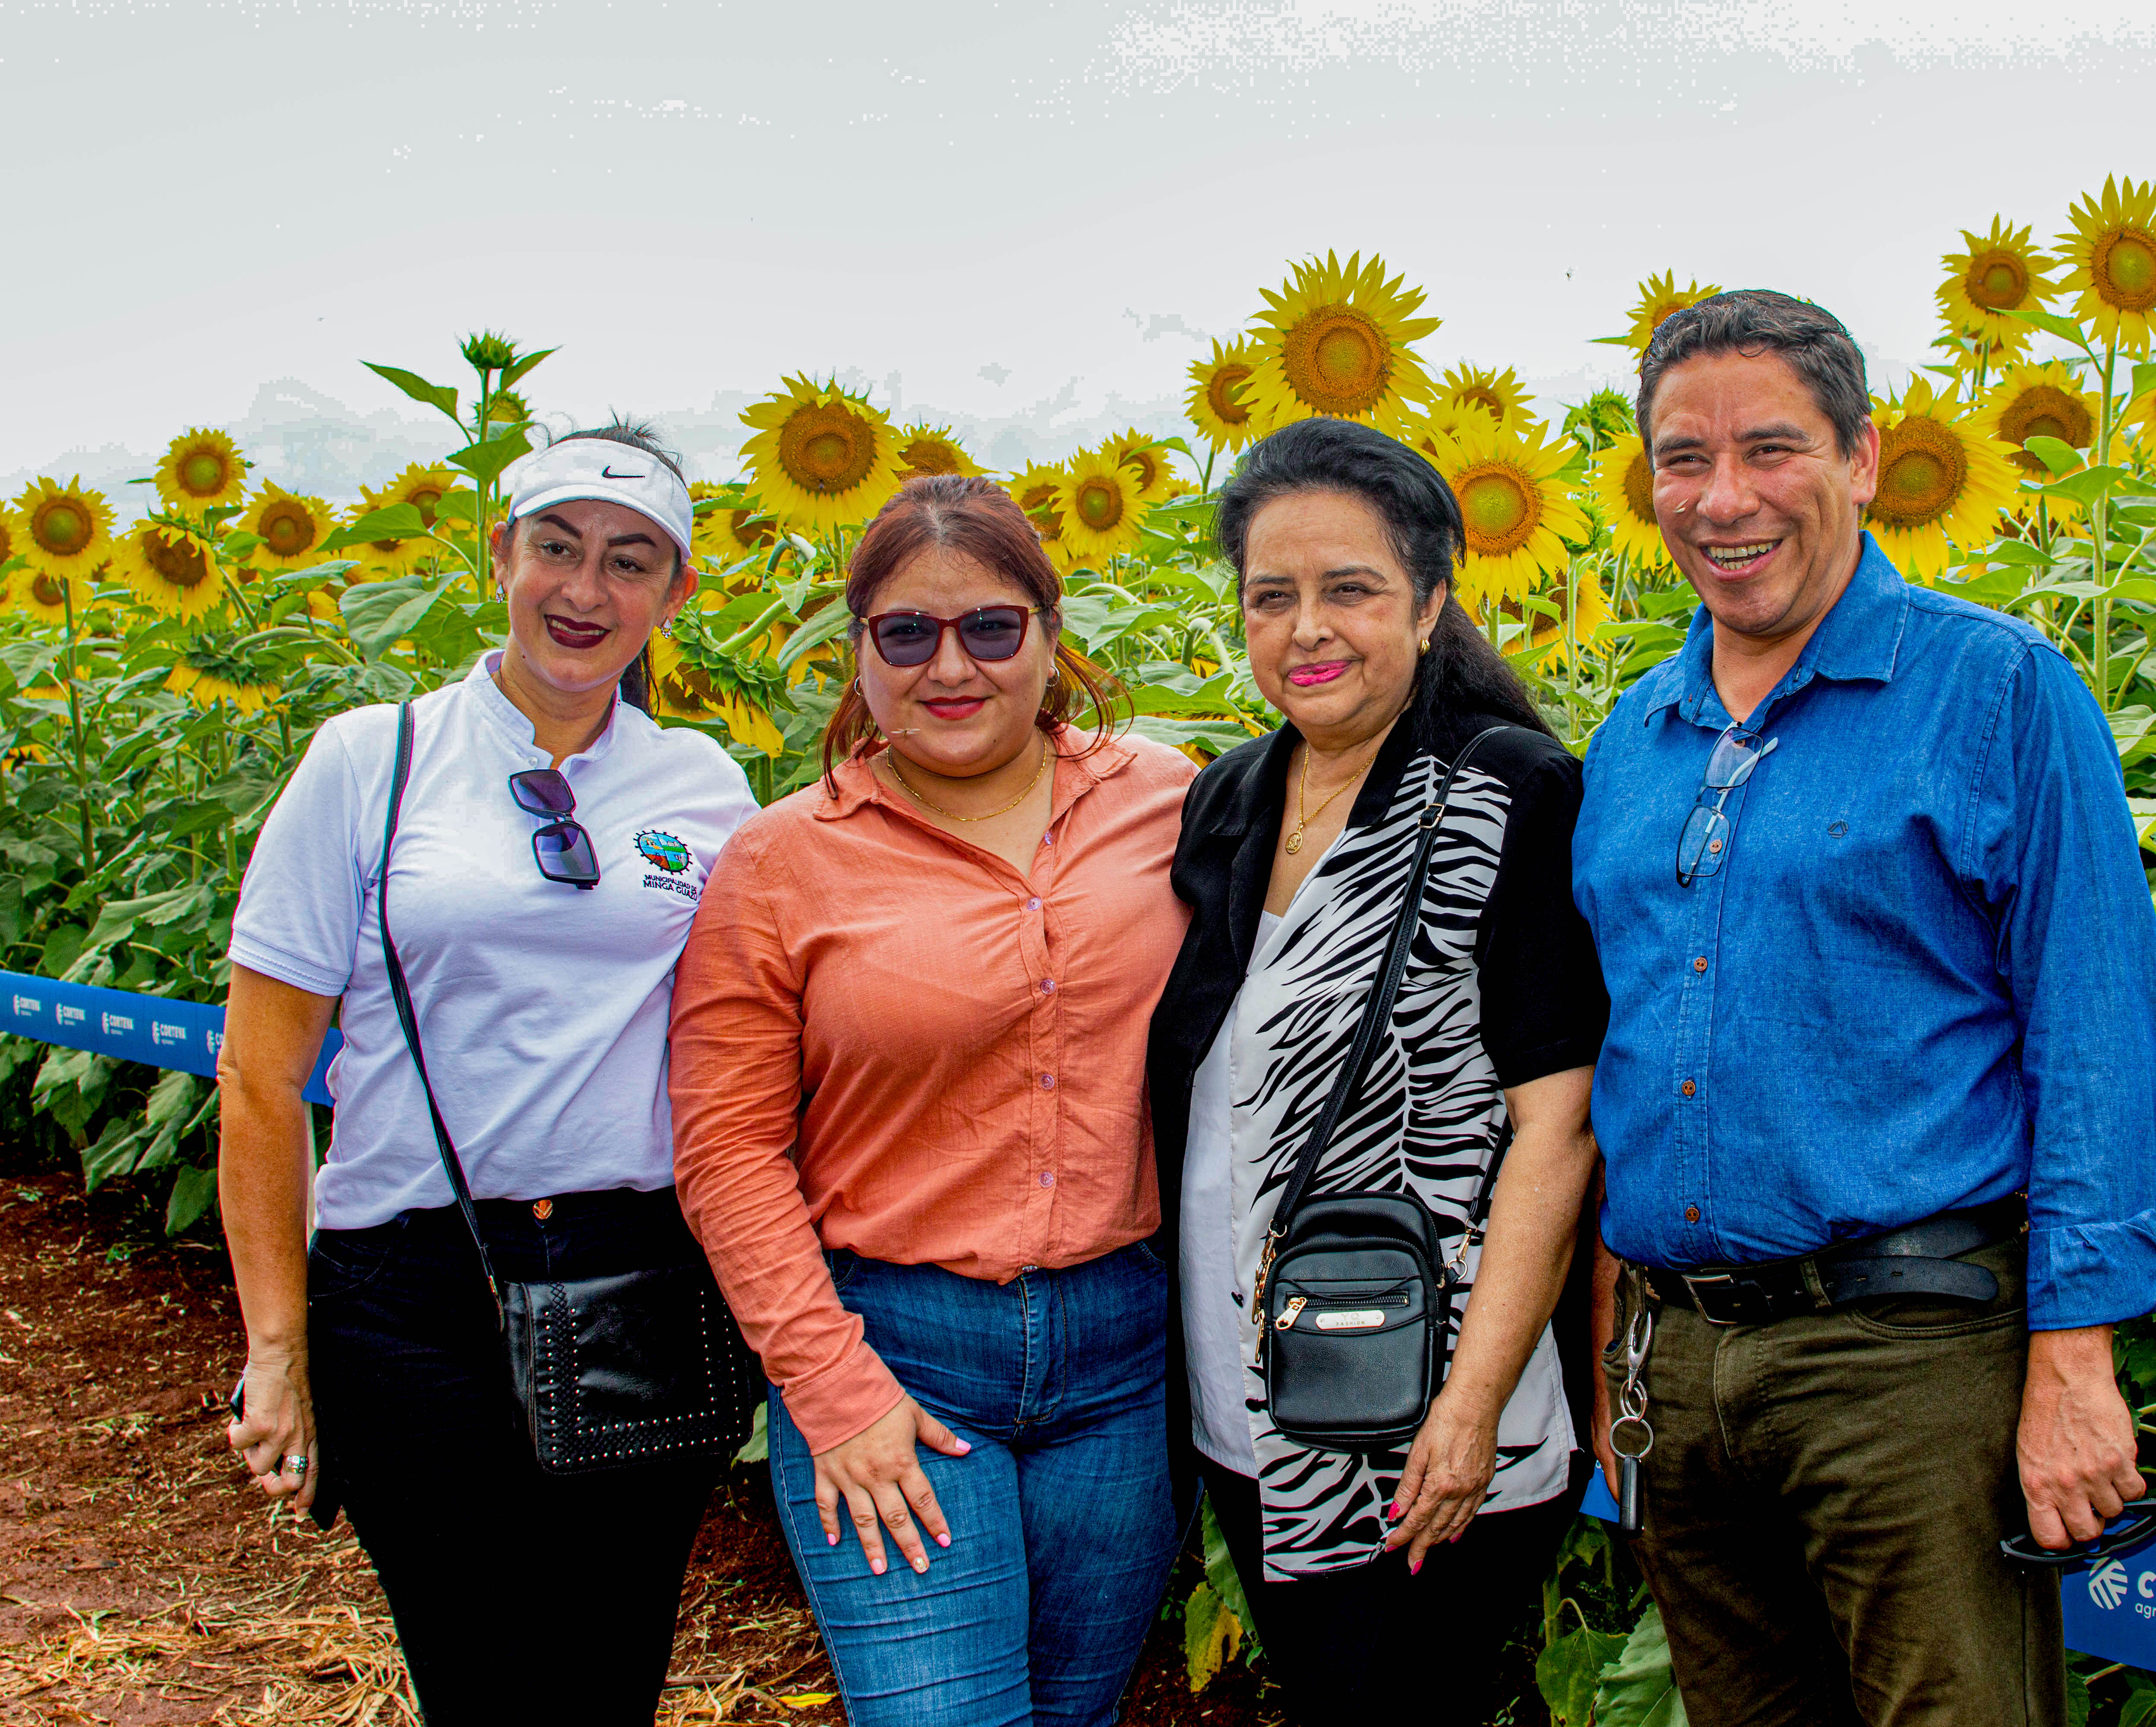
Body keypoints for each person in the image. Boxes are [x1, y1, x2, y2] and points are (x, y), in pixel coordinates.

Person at [1572, 288, 2156, 1725]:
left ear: (1861, 457)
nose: (1724, 500)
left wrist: (2076, 1363)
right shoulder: (1635, 737)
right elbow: (1621, 1057)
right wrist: (1617, 1345)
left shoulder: (1995, 691)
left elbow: (2100, 1036)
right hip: (1681, 1362)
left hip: (1904, 1360)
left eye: (1771, 450)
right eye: (1681, 459)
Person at [217, 425, 759, 1723]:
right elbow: (258, 1074)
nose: (586, 591)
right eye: (557, 549)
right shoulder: (371, 762)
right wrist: (277, 1347)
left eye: (630, 562)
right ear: (501, 554)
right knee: (476, 1672)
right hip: (411, 1297)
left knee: (610, 1666)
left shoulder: (705, 786)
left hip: (637, 1276)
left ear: (676, 593)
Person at [666, 474, 1193, 1727]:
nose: (950, 665)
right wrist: (829, 1389)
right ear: (859, 651)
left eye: (991, 628)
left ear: (1051, 637)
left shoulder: (1170, 801)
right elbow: (727, 1152)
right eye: (908, 633)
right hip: (894, 1355)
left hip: (1126, 1354)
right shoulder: (783, 862)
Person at [1144, 418, 1607, 1724]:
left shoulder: (1501, 791)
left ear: (1431, 600)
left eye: (1349, 590)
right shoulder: (1228, 797)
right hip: (1249, 1392)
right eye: (1271, 597)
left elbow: (1556, 1127)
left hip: (1425, 1394)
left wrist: (1467, 1412)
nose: (1307, 629)